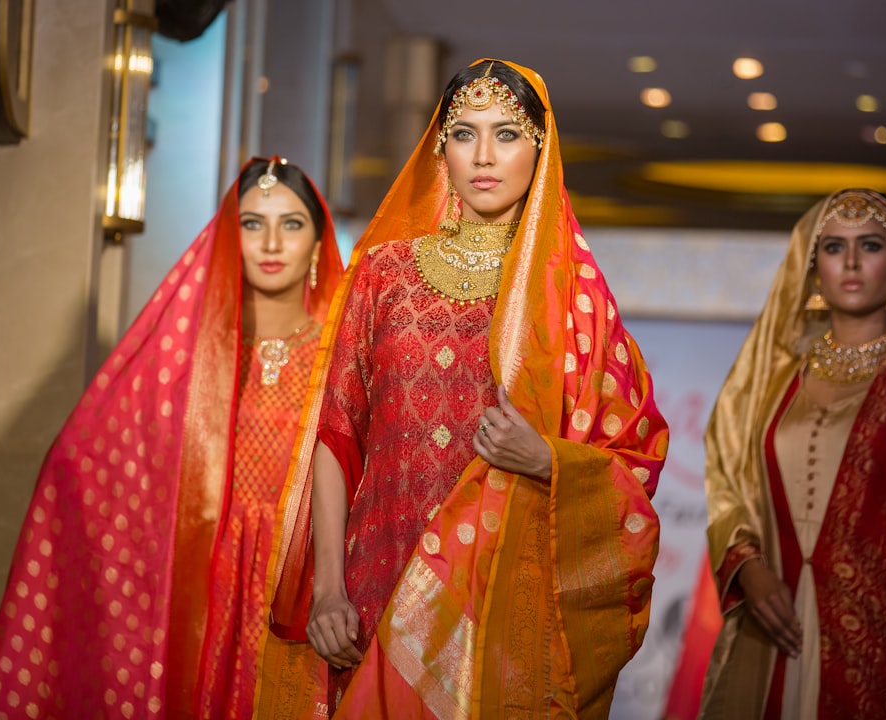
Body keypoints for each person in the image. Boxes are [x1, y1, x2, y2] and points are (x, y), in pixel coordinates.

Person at [260, 59, 670, 718]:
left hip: (500, 597)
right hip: (376, 581)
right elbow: (337, 432)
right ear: (439, 149)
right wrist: (328, 586)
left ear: (540, 149)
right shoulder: (383, 275)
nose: (483, 155)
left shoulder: (568, 295)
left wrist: (545, 459)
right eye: (464, 133)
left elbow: (636, 456)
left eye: (506, 134)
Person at [0, 157, 344, 719]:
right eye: (250, 223)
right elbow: (85, 456)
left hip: (302, 584)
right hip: (202, 586)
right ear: (225, 237)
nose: (271, 241)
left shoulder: (340, 359)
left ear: (317, 242)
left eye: (291, 223)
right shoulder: (188, 357)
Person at [696, 188, 886, 718]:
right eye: (833, 247)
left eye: (869, 245)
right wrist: (746, 565)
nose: (849, 262)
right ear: (813, 264)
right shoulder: (773, 383)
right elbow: (731, 484)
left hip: (883, 642)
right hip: (774, 629)